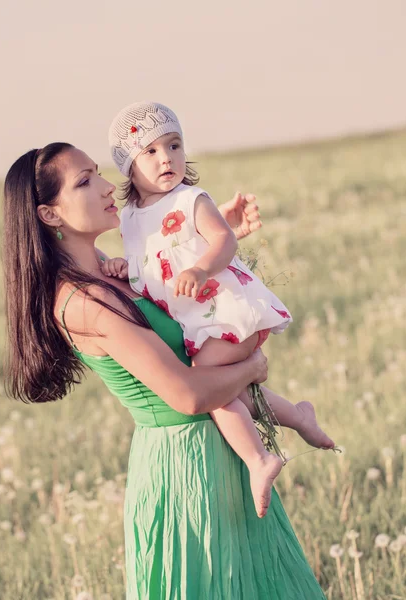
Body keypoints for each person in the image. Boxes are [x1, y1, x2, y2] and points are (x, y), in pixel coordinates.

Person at [3, 142, 328, 599]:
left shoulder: (108, 270)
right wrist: (253, 365)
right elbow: (188, 395)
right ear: (50, 215)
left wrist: (210, 239)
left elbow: (186, 302)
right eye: (84, 181)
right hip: (183, 470)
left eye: (97, 172)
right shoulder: (81, 303)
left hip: (221, 453)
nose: (104, 186)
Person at [107, 102, 334, 517]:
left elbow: (224, 240)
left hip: (226, 310)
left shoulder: (190, 199)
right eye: (151, 152)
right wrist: (124, 268)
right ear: (129, 169)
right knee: (233, 390)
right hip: (197, 323)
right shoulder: (130, 218)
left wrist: (200, 266)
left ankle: (258, 459)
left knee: (207, 387)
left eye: (174, 145)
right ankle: (299, 417)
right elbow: (145, 266)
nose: (167, 159)